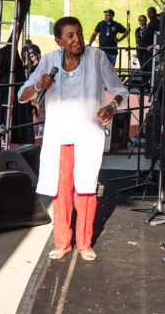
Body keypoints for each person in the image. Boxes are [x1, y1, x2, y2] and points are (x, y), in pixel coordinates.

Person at [18, 16, 128, 261]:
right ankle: (62, 242)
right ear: (59, 41)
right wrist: (38, 86)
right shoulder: (47, 61)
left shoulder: (97, 57)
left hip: (88, 134)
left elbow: (120, 90)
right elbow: (22, 96)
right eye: (70, 36)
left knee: (86, 189)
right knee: (61, 190)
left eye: (79, 33)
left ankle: (85, 243)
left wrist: (111, 106)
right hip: (59, 137)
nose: (77, 39)